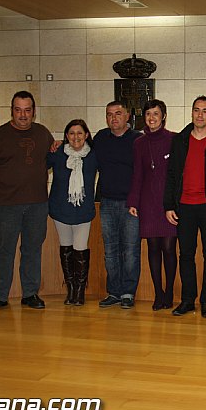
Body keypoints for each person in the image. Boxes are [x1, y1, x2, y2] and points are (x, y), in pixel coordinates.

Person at [0, 91, 55, 312]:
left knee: (32, 250)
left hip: (37, 204)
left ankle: (30, 293)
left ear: (34, 111)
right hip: (6, 205)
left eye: (27, 110)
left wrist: (58, 147)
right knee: (4, 250)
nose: (23, 115)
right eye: (18, 110)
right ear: (11, 110)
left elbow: (51, 160)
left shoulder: (43, 133)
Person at [164, 96, 206, 318]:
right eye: (196, 110)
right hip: (184, 207)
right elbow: (171, 175)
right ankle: (187, 300)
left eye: (205, 111)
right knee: (186, 255)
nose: (200, 115)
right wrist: (169, 205)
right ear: (192, 112)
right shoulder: (179, 140)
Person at [127, 99, 177, 311]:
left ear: (163, 116)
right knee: (153, 247)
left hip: (168, 203)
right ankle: (158, 293)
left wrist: (176, 202)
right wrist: (133, 201)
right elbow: (137, 174)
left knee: (169, 248)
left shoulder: (174, 139)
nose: (151, 118)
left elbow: (178, 174)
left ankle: (169, 291)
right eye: (148, 114)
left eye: (156, 114)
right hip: (148, 202)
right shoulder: (139, 143)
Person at [94, 101, 142, 309]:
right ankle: (114, 292)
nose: (114, 118)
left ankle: (128, 293)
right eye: (109, 114)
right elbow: (79, 147)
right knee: (110, 251)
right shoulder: (100, 138)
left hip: (131, 205)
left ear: (128, 116)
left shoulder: (138, 139)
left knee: (130, 250)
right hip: (107, 203)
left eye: (118, 113)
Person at [47, 119, 98, 306]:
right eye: (71, 133)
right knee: (66, 249)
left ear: (86, 135)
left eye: (79, 133)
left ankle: (79, 291)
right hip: (60, 209)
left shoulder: (94, 155)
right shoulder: (57, 153)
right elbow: (38, 167)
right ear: (66, 136)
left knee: (80, 249)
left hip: (83, 211)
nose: (76, 137)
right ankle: (70, 289)